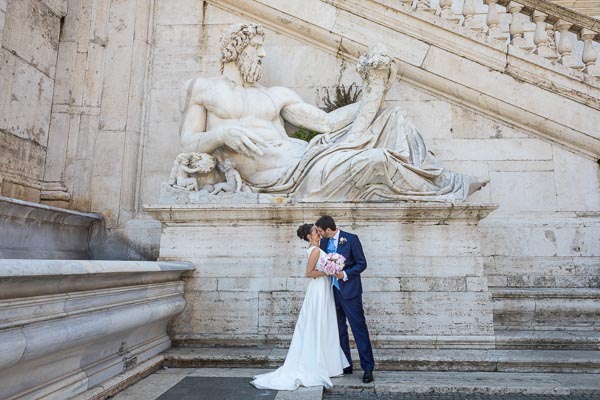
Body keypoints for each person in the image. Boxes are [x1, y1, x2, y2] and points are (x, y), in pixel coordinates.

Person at [178, 23, 488, 202]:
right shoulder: (204, 88)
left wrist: (372, 92)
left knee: (394, 119)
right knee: (376, 159)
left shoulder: (275, 96)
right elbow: (187, 143)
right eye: (256, 47)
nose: (263, 54)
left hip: (310, 159)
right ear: (237, 48)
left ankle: (443, 182)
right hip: (286, 179)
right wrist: (221, 133)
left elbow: (325, 123)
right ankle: (447, 188)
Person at [250, 224, 349, 390]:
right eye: (315, 232)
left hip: (323, 288)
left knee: (323, 323)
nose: (318, 233)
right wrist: (329, 271)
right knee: (317, 323)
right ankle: (316, 365)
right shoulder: (315, 251)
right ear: (309, 236)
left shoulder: (317, 248)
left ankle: (327, 363)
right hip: (318, 288)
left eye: (318, 231)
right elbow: (309, 273)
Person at [315, 215, 375, 383]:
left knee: (358, 329)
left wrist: (345, 274)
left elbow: (361, 264)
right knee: (339, 329)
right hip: (332, 291)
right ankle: (345, 363)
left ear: (328, 229)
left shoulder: (351, 239)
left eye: (320, 231)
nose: (319, 234)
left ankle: (368, 368)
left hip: (350, 292)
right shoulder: (324, 243)